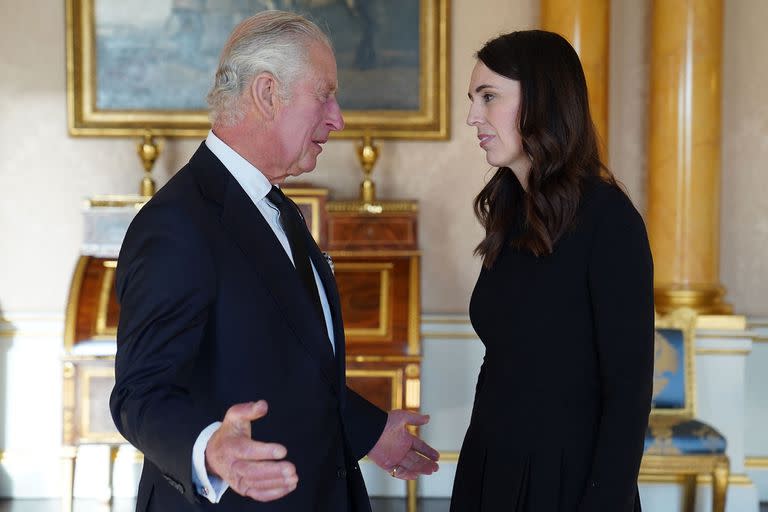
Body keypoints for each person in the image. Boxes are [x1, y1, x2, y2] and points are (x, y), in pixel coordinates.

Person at [110, 11, 439, 512]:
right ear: (267, 94)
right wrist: (210, 450)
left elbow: (293, 363)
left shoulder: (276, 206)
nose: (338, 118)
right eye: (324, 95)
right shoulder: (177, 224)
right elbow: (140, 393)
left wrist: (370, 431)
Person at [451, 30, 654, 512]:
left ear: (542, 100)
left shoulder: (610, 220)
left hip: (571, 485)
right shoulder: (509, 210)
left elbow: (628, 396)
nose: (472, 117)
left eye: (489, 97)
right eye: (473, 99)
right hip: (491, 469)